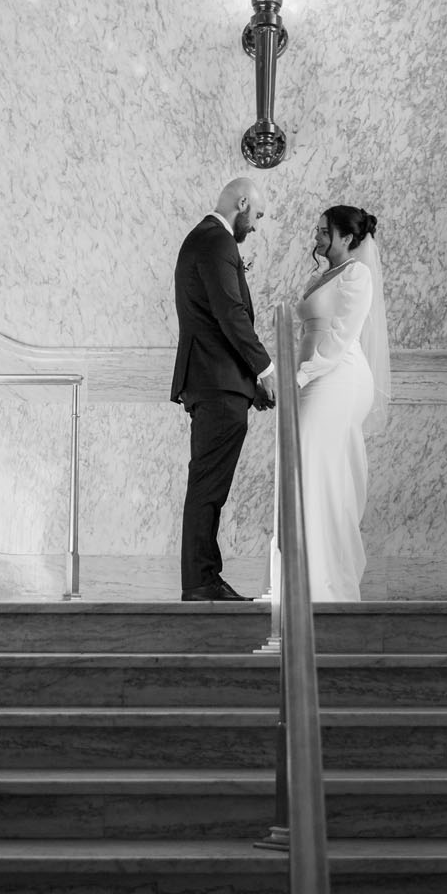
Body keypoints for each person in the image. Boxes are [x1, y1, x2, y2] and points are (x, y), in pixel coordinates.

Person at [171, 177, 276, 602]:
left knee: (209, 485)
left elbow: (219, 321)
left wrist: (250, 383)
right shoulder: (216, 242)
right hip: (216, 385)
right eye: (258, 217)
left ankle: (203, 579)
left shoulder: (206, 239)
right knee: (208, 487)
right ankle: (201, 582)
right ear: (243, 203)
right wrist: (264, 369)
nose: (255, 227)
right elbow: (231, 315)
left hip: (217, 382)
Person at [294, 204, 390, 603]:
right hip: (314, 377)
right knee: (306, 470)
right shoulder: (323, 276)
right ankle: (302, 577)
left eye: (323, 231)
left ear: (347, 237)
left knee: (321, 471)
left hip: (338, 378)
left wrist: (302, 373)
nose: (316, 238)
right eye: (317, 231)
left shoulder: (357, 274)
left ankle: (328, 584)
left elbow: (341, 335)